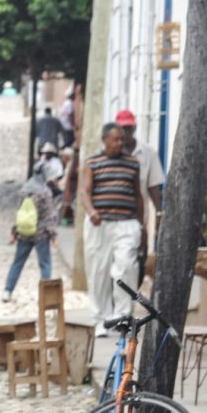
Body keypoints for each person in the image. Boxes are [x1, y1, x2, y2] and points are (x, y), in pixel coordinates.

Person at [80, 123, 144, 336]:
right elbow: (85, 192)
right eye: (115, 139)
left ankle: (122, 316)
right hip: (101, 225)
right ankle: (100, 319)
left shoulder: (133, 163)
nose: (120, 143)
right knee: (98, 272)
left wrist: (141, 225)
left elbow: (137, 195)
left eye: (121, 139)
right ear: (105, 140)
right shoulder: (93, 163)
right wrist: (91, 212)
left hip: (126, 223)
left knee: (125, 267)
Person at [1, 167, 58, 302]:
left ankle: (7, 291)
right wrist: (54, 236)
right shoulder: (45, 192)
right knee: (45, 264)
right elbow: (49, 216)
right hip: (41, 235)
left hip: (24, 234)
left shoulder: (24, 190)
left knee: (17, 263)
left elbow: (20, 213)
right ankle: (45, 296)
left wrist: (14, 232)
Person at [115, 109, 165, 233]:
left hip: (137, 220)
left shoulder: (148, 153)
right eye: (122, 129)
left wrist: (159, 213)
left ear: (134, 128)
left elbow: (153, 187)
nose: (125, 133)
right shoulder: (110, 153)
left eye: (128, 128)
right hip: (112, 220)